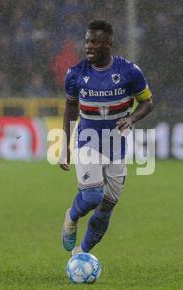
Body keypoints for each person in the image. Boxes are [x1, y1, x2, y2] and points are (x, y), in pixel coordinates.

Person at [60, 20, 154, 255]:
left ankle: (81, 253)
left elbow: (147, 102)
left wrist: (131, 119)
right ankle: (71, 217)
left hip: (116, 147)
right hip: (88, 141)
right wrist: (66, 145)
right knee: (92, 195)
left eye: (95, 42)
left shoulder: (129, 72)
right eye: (87, 41)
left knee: (107, 207)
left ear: (109, 43)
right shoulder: (75, 74)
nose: (88, 46)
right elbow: (70, 109)